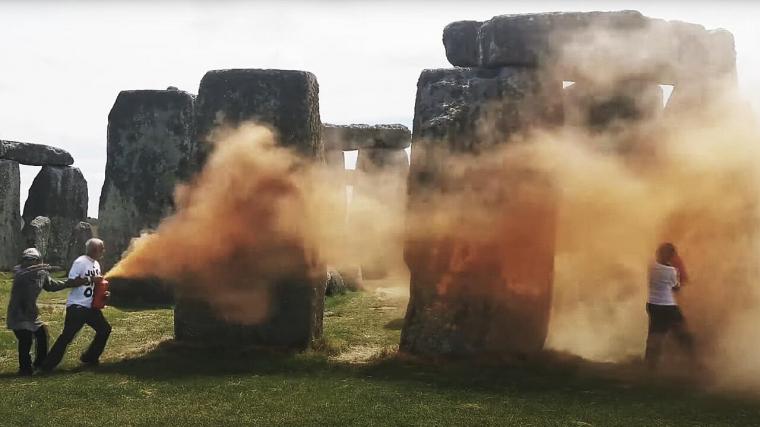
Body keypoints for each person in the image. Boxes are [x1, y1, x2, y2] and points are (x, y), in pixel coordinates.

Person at [6, 248, 88, 376]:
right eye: (26, 260)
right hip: (18, 313)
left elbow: (52, 285)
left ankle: (40, 364)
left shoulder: (41, 273)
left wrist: (71, 283)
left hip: (31, 313)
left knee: (42, 335)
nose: (28, 262)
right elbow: (24, 273)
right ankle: (25, 369)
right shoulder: (20, 273)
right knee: (25, 339)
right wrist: (41, 268)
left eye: (32, 260)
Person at [41, 238, 111, 372]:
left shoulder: (96, 264)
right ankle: (46, 366)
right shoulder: (80, 262)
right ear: (94, 249)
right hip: (77, 307)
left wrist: (104, 293)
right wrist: (90, 279)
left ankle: (90, 357)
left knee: (105, 329)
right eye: (102, 248)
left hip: (90, 307)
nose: (103, 251)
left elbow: (95, 285)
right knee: (67, 337)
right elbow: (71, 282)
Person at [644, 242, 696, 369]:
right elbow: (676, 288)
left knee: (654, 336)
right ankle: (693, 362)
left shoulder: (651, 267)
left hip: (653, 305)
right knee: (684, 334)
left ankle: (649, 366)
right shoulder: (671, 271)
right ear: (669, 256)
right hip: (668, 307)